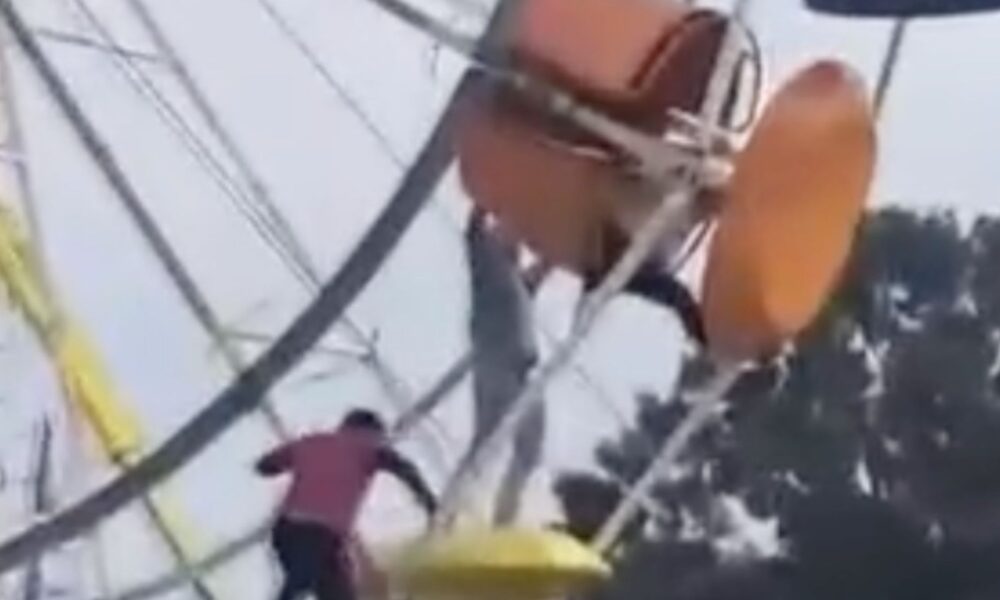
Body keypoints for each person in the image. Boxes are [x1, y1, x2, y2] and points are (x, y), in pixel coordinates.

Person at [255, 409, 437, 600]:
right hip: (319, 533)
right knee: (304, 575)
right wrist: (429, 502)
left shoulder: (313, 441)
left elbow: (264, 466)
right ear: (372, 433)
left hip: (288, 531)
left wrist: (305, 460)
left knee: (324, 583)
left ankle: (296, 586)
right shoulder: (367, 446)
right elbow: (403, 467)